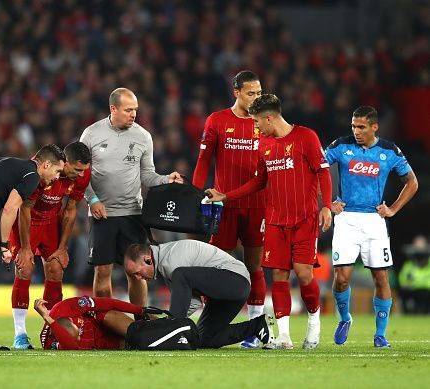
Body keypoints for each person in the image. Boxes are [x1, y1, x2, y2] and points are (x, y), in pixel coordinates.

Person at [206, 94, 333, 350]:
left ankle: (313, 323)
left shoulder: (306, 137)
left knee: (304, 272)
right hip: (275, 220)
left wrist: (327, 207)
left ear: (269, 118)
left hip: (304, 219)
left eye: (256, 122)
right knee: (278, 274)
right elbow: (259, 181)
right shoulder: (264, 144)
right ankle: (283, 336)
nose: (254, 127)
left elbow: (323, 171)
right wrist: (227, 196)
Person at [79, 87, 183, 306]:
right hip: (102, 214)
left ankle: (139, 322)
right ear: (113, 108)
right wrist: (93, 200)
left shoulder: (143, 136)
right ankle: (105, 323)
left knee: (136, 271)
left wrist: (166, 179)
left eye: (135, 109)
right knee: (103, 269)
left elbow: (147, 175)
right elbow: (80, 174)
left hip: (133, 214)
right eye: (128, 110)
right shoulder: (91, 134)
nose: (134, 114)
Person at [325, 106, 418, 347]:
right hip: (346, 219)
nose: (356, 131)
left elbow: (411, 182)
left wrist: (393, 209)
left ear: (374, 127)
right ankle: (345, 318)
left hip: (374, 222)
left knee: (381, 277)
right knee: (342, 277)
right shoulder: (340, 146)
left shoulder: (389, 151)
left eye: (361, 127)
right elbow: (316, 169)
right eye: (353, 126)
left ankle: (380, 334)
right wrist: (327, 202)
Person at [0, 145, 65, 351]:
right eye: (57, 171)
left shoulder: (13, 162)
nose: (56, 177)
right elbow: (10, 208)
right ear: (45, 164)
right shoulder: (32, 177)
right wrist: (3, 244)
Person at [192, 70, 267, 348]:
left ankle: (257, 328)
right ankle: (213, 323)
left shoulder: (266, 122)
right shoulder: (218, 120)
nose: (256, 98)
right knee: (216, 264)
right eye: (251, 93)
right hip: (223, 207)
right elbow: (203, 161)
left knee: (254, 266)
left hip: (258, 205)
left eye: (259, 93)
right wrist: (195, 194)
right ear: (236, 92)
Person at [9, 141, 91, 350]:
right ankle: (20, 335)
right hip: (27, 222)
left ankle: (52, 331)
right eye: (77, 169)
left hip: (52, 223)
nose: (81, 175)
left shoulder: (81, 176)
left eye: (84, 171)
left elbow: (71, 209)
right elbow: (24, 209)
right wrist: (26, 248)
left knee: (55, 269)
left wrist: (63, 247)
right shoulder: (40, 172)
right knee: (25, 268)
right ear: (65, 163)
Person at [123, 240, 272, 348]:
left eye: (137, 272)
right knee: (202, 338)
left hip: (236, 281)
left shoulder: (172, 260)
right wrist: (170, 321)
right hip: (227, 289)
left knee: (180, 274)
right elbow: (192, 302)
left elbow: (180, 311)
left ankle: (170, 329)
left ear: (148, 260)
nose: (137, 278)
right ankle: (256, 326)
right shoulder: (166, 267)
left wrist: (168, 326)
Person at [34, 296, 145, 350]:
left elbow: (107, 303)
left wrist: (140, 311)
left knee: (139, 334)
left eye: (78, 333)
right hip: (99, 343)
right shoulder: (48, 343)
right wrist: (46, 317)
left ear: (71, 320)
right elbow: (72, 347)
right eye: (76, 338)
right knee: (137, 344)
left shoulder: (69, 306)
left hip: (100, 323)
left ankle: (147, 328)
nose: (78, 339)